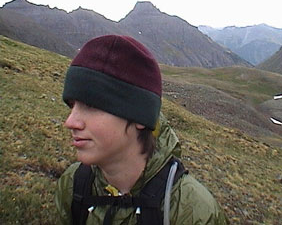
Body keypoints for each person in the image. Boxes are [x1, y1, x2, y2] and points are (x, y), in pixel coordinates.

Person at [55, 35, 228, 225]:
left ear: (138, 116)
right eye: (72, 106)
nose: (70, 122)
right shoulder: (73, 184)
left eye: (90, 105)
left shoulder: (194, 212)